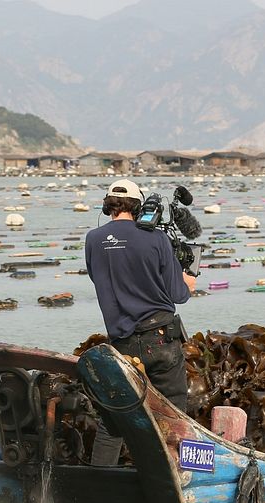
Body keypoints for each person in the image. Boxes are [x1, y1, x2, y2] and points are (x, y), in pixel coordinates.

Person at [84, 179, 196, 465]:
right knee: (176, 419)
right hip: (161, 339)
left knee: (113, 424)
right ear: (138, 206)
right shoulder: (156, 238)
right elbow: (178, 294)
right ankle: (185, 484)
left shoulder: (93, 240)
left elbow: (101, 279)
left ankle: (97, 488)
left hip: (121, 345)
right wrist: (189, 280)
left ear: (107, 205)